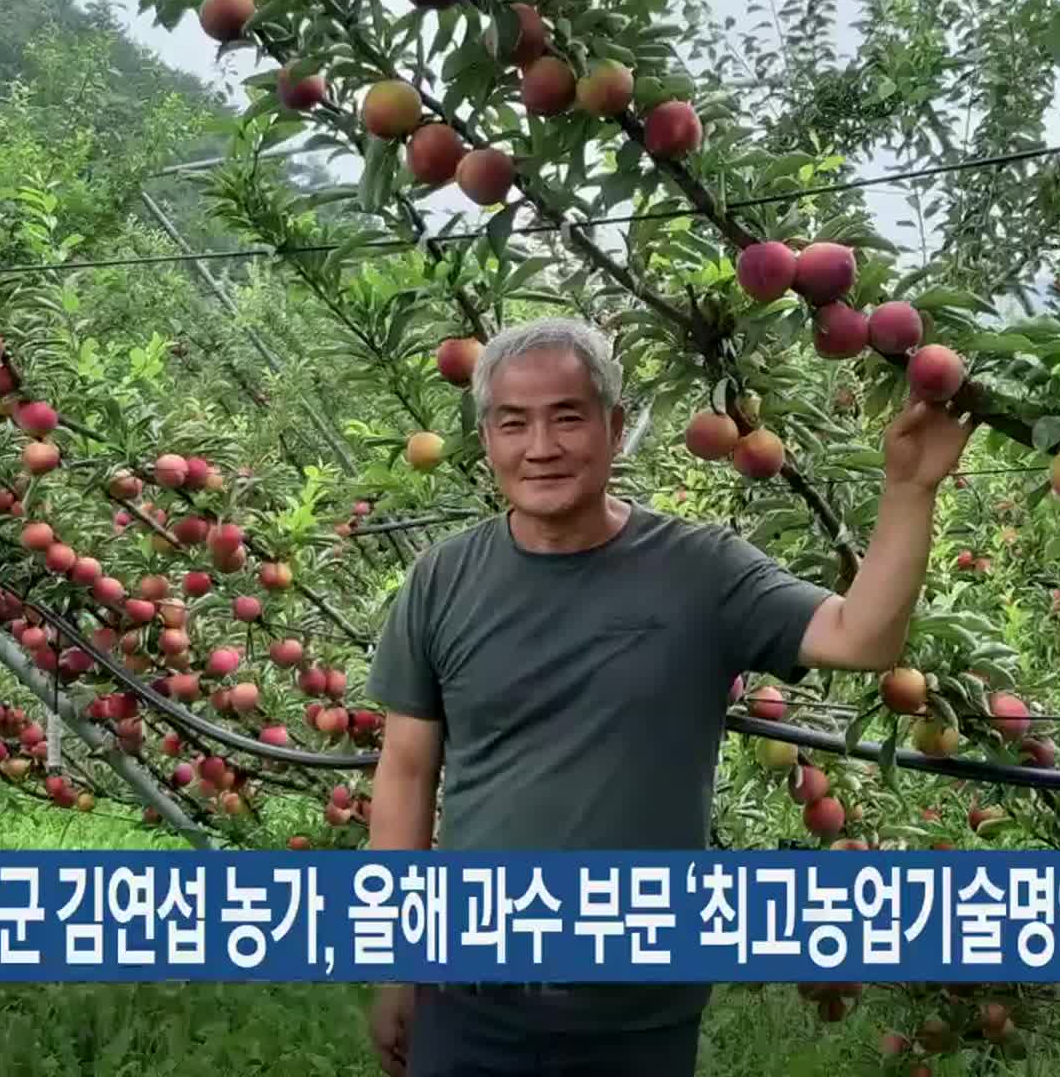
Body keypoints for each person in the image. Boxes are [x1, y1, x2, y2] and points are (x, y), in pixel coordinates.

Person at [361, 317, 979, 1076]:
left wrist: (910, 488)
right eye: (513, 423)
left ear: (616, 429)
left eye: (567, 417)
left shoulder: (701, 572)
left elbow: (862, 639)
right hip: (468, 994)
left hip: (636, 1009)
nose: (541, 447)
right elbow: (407, 771)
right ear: (486, 439)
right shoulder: (443, 579)